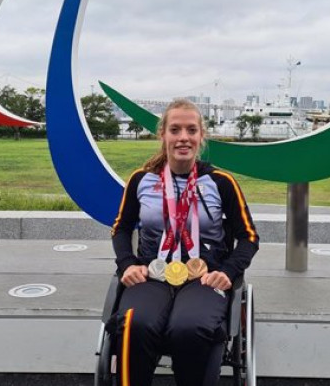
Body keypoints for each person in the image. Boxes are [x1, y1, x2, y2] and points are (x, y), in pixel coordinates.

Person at [110, 99, 259, 386]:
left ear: (201, 136)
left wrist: (227, 272)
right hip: (152, 274)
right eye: (175, 129)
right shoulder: (141, 180)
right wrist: (127, 264)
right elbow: (121, 228)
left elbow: (249, 237)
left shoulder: (221, 182)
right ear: (162, 134)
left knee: (189, 327)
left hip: (203, 277)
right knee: (133, 323)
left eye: (191, 130)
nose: (183, 137)